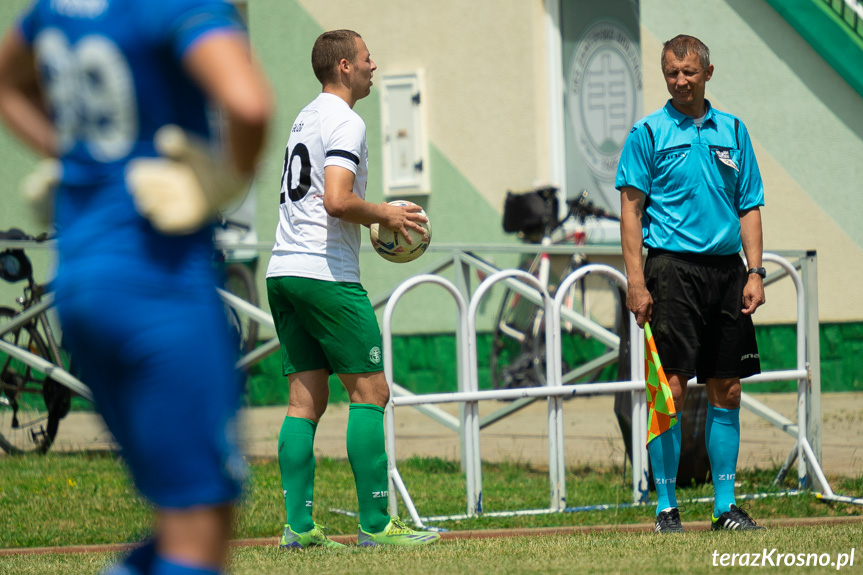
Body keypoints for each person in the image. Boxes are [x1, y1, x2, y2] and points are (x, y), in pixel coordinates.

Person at [0, 1, 272, 573]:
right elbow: (249, 105)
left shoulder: (54, 7)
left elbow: (7, 82)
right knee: (199, 527)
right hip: (158, 283)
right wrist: (224, 178)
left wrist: (78, 161)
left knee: (186, 519)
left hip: (80, 280)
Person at [266, 29, 439, 549]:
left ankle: (298, 528)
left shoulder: (306, 115)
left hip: (283, 270)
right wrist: (384, 212)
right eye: (367, 58)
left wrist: (370, 219)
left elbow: (322, 195)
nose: (374, 65)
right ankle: (377, 525)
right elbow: (337, 200)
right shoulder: (347, 120)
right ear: (344, 66)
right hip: (326, 275)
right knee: (372, 392)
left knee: (304, 401)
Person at [616, 34, 766, 534]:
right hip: (670, 272)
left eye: (688, 72)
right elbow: (631, 212)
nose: (680, 81)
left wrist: (755, 271)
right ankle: (666, 508)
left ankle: (725, 508)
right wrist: (636, 282)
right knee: (671, 388)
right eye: (671, 73)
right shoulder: (648, 132)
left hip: (727, 273)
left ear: (708, 72)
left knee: (727, 389)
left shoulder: (735, 130)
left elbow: (749, 206)